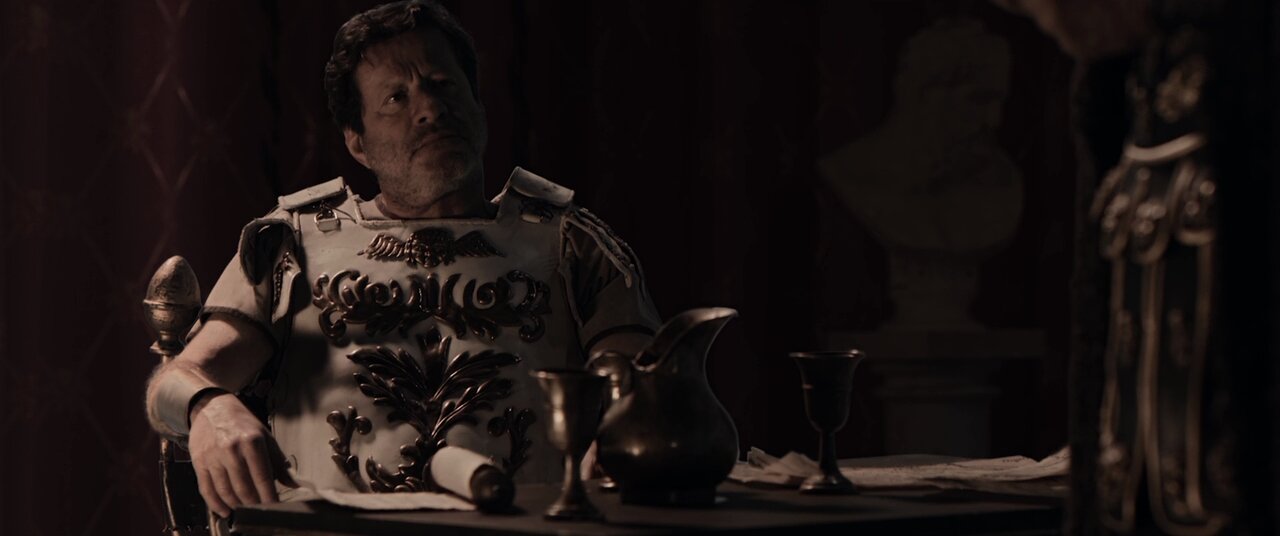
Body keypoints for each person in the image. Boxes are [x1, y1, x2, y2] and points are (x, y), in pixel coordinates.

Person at [145, 0, 660, 519]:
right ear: (358, 142)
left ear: (478, 105)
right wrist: (208, 405)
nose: (429, 109)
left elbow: (651, 387)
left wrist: (624, 424)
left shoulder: (573, 246)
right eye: (396, 97)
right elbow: (175, 380)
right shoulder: (290, 246)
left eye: (443, 84)